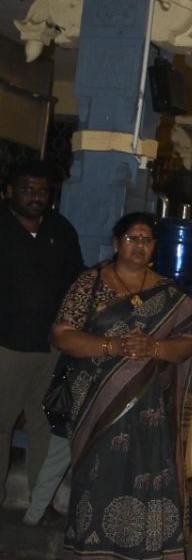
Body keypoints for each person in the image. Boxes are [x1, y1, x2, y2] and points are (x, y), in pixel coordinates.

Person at [53, 213, 192, 560]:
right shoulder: (89, 283)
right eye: (133, 237)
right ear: (117, 241)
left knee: (148, 482)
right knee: (96, 485)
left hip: (151, 413)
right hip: (98, 409)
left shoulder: (168, 293)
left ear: (156, 248)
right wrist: (114, 347)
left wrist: (155, 348)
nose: (140, 245)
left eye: (148, 240)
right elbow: (63, 335)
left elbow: (190, 339)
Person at [0, 162, 82, 512]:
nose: (35, 196)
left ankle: (40, 502)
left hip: (50, 348)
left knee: (45, 426)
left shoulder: (60, 229)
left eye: (42, 190)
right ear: (8, 192)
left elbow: (76, 283)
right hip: (6, 347)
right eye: (27, 189)